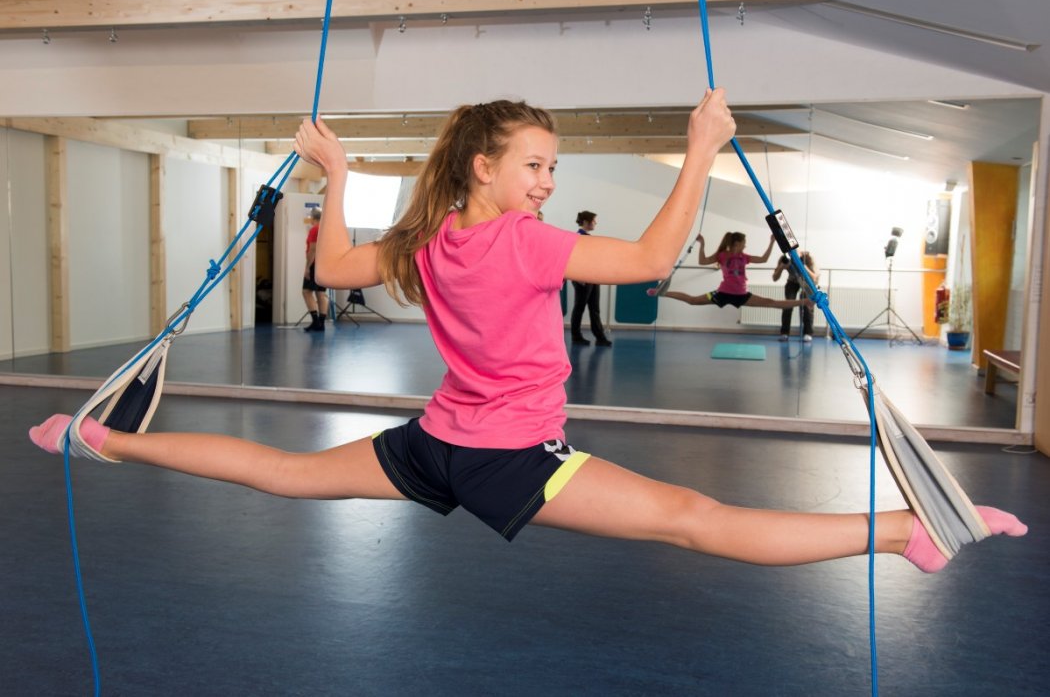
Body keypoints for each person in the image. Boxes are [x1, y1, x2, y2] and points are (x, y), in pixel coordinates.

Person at [30, 90, 1025, 574]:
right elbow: (649, 259)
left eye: (553, 168)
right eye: (535, 165)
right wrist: (699, 149)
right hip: (508, 456)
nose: (548, 182)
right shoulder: (525, 243)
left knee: (283, 474)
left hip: (437, 444)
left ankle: (99, 436)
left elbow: (329, 269)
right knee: (691, 517)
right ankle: (903, 532)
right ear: (485, 167)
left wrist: (338, 177)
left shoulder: (426, 239)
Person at [659, 231, 812, 312]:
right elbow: (702, 261)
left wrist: (772, 242)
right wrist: (702, 244)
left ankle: (805, 302)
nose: (745, 245)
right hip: (722, 293)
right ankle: (663, 293)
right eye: (744, 243)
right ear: (737, 243)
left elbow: (763, 259)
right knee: (693, 300)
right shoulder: (722, 255)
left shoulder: (744, 257)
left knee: (771, 303)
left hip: (741, 295)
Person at [569, 210, 611, 346]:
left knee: (594, 309)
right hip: (582, 279)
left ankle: (600, 337)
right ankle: (576, 336)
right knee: (579, 308)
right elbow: (574, 258)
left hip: (592, 277)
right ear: (586, 222)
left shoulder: (587, 237)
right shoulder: (579, 237)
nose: (595, 223)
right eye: (593, 221)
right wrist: (578, 277)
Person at [772, 251, 820, 342]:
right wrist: (782, 267)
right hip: (792, 281)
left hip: (807, 282)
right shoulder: (785, 258)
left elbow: (815, 278)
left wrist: (803, 266)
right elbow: (774, 278)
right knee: (788, 304)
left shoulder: (808, 258)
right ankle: (784, 333)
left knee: (807, 305)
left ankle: (808, 333)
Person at [302, 207, 329, 332]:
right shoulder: (325, 229)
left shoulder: (314, 229)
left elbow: (313, 249)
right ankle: (321, 324)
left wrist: (307, 267)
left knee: (306, 291)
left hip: (315, 264)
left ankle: (316, 321)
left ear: (313, 218)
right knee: (321, 293)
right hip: (324, 264)